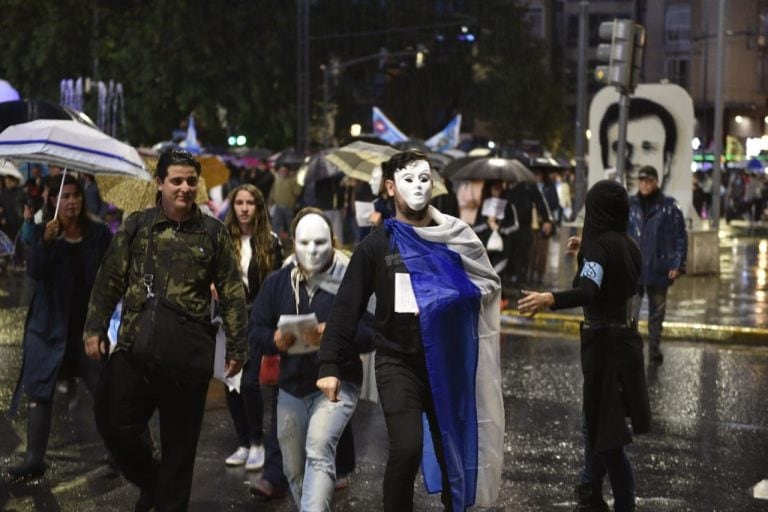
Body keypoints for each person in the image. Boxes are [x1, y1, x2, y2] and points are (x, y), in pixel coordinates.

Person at [317, 149, 505, 511]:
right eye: (408, 180)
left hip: (446, 363)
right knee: (406, 447)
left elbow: (485, 284)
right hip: (397, 363)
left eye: (425, 179)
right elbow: (346, 307)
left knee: (454, 452)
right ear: (390, 187)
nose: (418, 187)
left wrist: (448, 297)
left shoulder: (453, 237)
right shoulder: (377, 246)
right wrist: (329, 364)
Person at [82, 149, 248, 511]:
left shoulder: (213, 233)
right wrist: (95, 326)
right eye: (176, 181)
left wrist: (238, 347)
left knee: (180, 452)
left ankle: (166, 495)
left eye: (191, 181)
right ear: (160, 183)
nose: (185, 188)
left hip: (186, 360)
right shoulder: (137, 226)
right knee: (112, 423)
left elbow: (233, 293)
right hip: (135, 349)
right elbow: (108, 279)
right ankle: (152, 481)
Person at [518, 179, 651, 512]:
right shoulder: (627, 244)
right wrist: (587, 252)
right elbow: (613, 279)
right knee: (598, 424)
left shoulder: (599, 248)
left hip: (605, 348)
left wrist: (550, 298)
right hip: (626, 344)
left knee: (604, 433)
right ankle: (589, 490)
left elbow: (588, 291)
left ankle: (621, 501)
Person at [248, 207, 374, 510]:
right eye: (305, 243)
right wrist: (275, 340)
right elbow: (255, 331)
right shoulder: (278, 283)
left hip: (338, 383)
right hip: (292, 385)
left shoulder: (350, 280)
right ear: (293, 243)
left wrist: (336, 333)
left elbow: (373, 332)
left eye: (320, 242)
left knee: (318, 448)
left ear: (332, 240)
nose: (313, 250)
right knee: (293, 468)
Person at [6, 173, 113, 479]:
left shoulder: (99, 234)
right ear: (53, 201)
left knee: (104, 391)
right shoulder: (44, 232)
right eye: (64, 197)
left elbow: (111, 275)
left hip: (86, 329)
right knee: (40, 392)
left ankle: (119, 453)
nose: (71, 202)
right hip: (46, 327)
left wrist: (103, 324)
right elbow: (36, 273)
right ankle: (34, 459)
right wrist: (46, 242)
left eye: (75, 196)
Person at [221, 184, 283, 470]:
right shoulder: (223, 240)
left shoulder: (270, 241)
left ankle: (257, 442)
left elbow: (277, 286)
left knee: (249, 382)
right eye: (239, 203)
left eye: (250, 203)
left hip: (257, 321)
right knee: (230, 383)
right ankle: (244, 442)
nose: (244, 208)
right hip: (228, 320)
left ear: (258, 207)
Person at [627, 165, 687, 365]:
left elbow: (680, 236)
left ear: (656, 182)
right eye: (641, 180)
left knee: (657, 312)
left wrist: (678, 264)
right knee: (631, 312)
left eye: (648, 180)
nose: (644, 184)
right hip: (634, 267)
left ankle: (654, 348)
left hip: (659, 267)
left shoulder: (669, 206)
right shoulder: (631, 204)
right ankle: (631, 348)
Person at [599, 97, 678, 195]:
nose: (633, 160)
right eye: (621, 148)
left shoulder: (671, 209)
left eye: (648, 148)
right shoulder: (597, 207)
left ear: (667, 162)